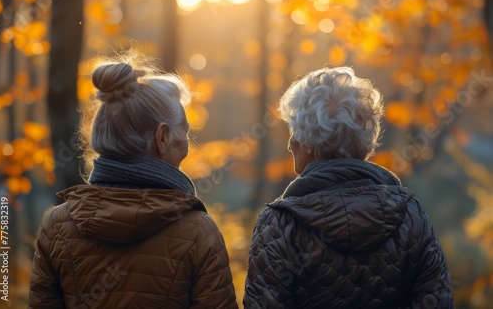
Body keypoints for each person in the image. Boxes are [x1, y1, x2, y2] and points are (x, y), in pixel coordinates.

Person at [28, 50, 237, 308]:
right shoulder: (198, 232)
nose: (187, 142)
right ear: (162, 138)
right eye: (185, 131)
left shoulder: (56, 226)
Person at [244, 67, 453, 308]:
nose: (291, 144)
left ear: (308, 143)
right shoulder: (411, 216)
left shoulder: (280, 225)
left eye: (294, 132)